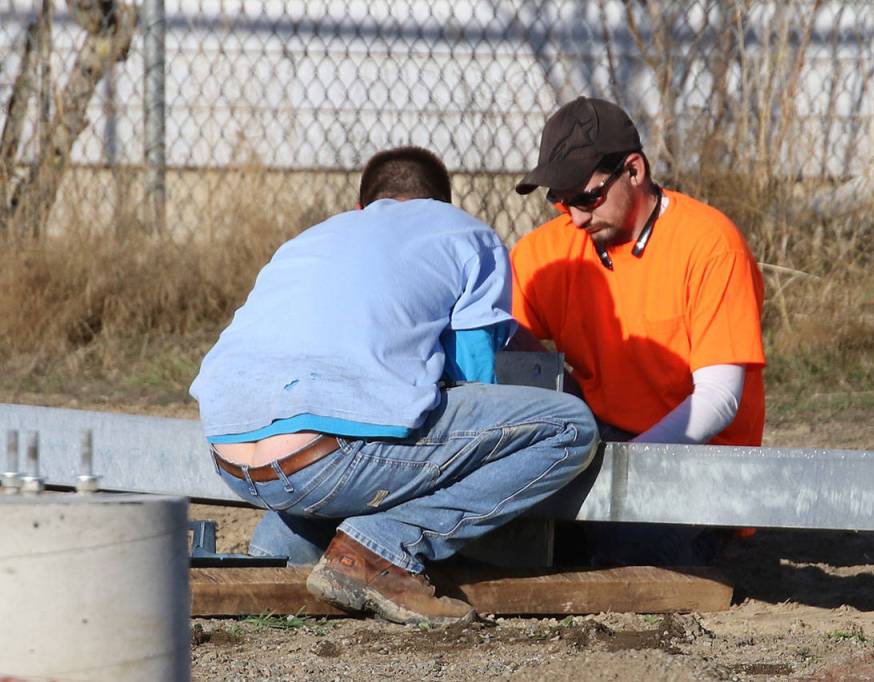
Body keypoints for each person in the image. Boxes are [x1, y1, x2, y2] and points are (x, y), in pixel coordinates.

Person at [190, 146, 597, 626]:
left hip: (234, 462)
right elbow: (474, 377)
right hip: (329, 462)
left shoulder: (312, 239)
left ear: (366, 207)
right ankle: (383, 546)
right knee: (568, 426)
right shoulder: (465, 233)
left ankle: (285, 544)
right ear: (439, 204)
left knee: (366, 409)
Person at [510, 97, 765, 565]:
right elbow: (498, 348)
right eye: (562, 201)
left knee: (611, 551)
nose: (577, 217)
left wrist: (618, 469)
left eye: (587, 197)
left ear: (634, 170)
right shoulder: (548, 251)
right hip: (600, 440)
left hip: (697, 457)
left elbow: (719, 399)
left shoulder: (709, 245)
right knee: (513, 534)